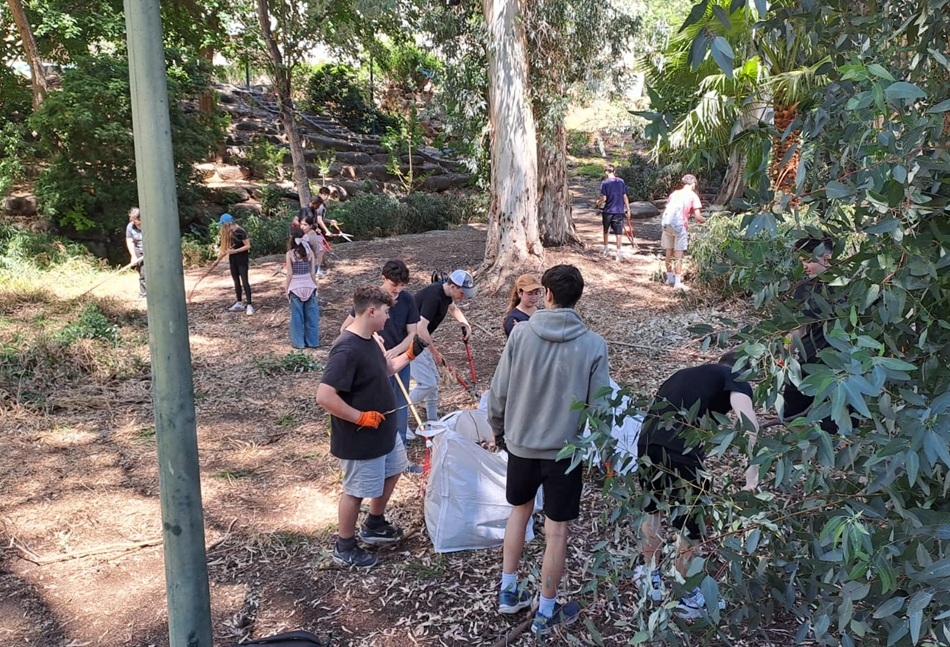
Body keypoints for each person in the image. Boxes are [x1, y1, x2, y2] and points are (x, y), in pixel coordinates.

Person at [488, 264, 611, 637]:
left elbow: (499, 392)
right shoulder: (593, 344)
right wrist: (601, 451)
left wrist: (498, 430)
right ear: (578, 297)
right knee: (556, 532)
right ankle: (545, 610)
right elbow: (601, 407)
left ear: (548, 294)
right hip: (564, 451)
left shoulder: (521, 335)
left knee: (519, 513)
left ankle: (508, 590)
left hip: (522, 444)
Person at [635, 352, 759, 617]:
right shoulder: (736, 377)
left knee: (652, 510)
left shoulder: (685, 375)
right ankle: (685, 595)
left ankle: (649, 578)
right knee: (692, 526)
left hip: (647, 444)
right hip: (679, 450)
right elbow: (749, 426)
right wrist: (752, 477)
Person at [316, 286, 427, 568]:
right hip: (360, 436)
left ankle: (374, 524)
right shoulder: (347, 348)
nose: (389, 318)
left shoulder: (372, 340)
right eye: (387, 312)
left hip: (385, 431)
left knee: (394, 470)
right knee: (355, 490)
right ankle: (345, 546)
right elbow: (325, 396)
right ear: (371, 311)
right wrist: (359, 417)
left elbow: (386, 370)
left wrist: (412, 354)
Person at [339, 261, 422, 473]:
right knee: (379, 404)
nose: (398, 289)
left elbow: (412, 333)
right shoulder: (371, 300)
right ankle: (378, 454)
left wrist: (398, 351)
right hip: (374, 363)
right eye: (394, 284)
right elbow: (346, 328)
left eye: (402, 285)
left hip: (399, 360)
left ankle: (399, 457)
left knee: (400, 405)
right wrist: (373, 341)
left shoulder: (408, 300)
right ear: (383, 278)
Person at [782, 237, 843, 432]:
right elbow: (797, 327)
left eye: (807, 261)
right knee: (791, 415)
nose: (805, 266)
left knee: (836, 421)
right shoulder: (804, 287)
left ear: (826, 257)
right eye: (801, 262)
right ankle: (796, 453)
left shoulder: (851, 286)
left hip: (839, 367)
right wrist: (784, 353)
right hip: (805, 362)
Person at [409, 269, 475, 424]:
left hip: (420, 340)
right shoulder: (434, 297)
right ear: (453, 287)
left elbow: (453, 308)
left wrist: (465, 324)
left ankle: (433, 420)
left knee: (435, 380)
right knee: (427, 383)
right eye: (462, 292)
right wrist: (435, 353)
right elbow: (421, 327)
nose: (463, 296)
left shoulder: (445, 293)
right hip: (408, 340)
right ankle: (398, 420)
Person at [661, 174, 705, 289]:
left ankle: (669, 278)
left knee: (669, 251)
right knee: (678, 254)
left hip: (667, 224)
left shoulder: (674, 194)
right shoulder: (693, 196)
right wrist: (705, 221)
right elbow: (698, 217)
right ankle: (677, 282)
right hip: (680, 226)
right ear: (693, 184)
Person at [285, 227, 319, 349]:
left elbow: (289, 274)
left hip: (295, 287)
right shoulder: (309, 253)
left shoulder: (290, 254)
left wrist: (286, 288)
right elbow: (313, 273)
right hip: (309, 286)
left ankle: (299, 343)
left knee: (297, 317)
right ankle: (313, 342)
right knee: (312, 316)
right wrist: (316, 286)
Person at [218, 213, 254, 315]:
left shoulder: (240, 231)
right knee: (236, 281)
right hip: (233, 260)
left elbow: (247, 246)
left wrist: (236, 251)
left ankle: (249, 304)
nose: (222, 226)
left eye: (223, 224)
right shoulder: (229, 233)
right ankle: (239, 302)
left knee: (245, 281)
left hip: (242, 259)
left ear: (228, 223)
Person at [596, 165, 631, 262]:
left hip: (608, 211)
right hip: (619, 210)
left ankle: (606, 249)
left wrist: (598, 203)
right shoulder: (621, 181)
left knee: (606, 230)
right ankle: (618, 253)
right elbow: (625, 196)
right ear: (614, 171)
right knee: (619, 232)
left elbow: (604, 198)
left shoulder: (605, 183)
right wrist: (628, 209)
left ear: (606, 172)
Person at [502, 274, 543, 338]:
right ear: (520, 293)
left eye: (536, 293)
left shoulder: (542, 313)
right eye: (529, 294)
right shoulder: (513, 319)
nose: (534, 297)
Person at [125, 207, 146, 298]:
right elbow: (130, 241)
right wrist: (133, 256)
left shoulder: (148, 224)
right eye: (132, 219)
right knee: (143, 273)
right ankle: (144, 294)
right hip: (139, 252)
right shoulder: (130, 226)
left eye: (135, 220)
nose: (133, 221)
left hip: (152, 251)